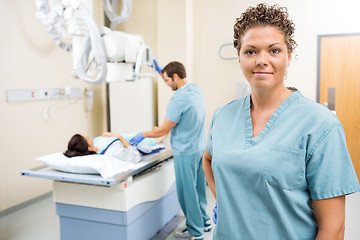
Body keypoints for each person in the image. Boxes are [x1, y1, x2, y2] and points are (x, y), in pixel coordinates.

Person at [203, 3, 360, 240]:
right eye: (250, 51)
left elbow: (333, 229)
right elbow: (208, 159)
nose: (261, 60)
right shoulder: (223, 116)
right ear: (239, 57)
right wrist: (226, 204)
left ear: (289, 56)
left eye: (274, 50)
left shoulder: (320, 125)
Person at [130, 61, 211, 240]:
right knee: (198, 188)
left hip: (185, 152)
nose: (166, 83)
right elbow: (173, 80)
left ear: (175, 77)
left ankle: (195, 231)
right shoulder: (195, 89)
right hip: (199, 149)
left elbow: (163, 130)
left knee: (186, 191)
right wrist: (161, 72)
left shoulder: (178, 99)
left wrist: (142, 134)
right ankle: (204, 220)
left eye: (167, 80)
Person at [64, 132, 165, 163]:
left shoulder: (94, 143)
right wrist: (119, 137)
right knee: (151, 140)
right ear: (89, 148)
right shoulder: (113, 152)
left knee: (134, 135)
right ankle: (160, 137)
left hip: (125, 139)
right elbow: (136, 157)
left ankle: (157, 134)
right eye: (87, 138)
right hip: (136, 146)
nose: (89, 137)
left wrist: (104, 136)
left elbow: (95, 140)